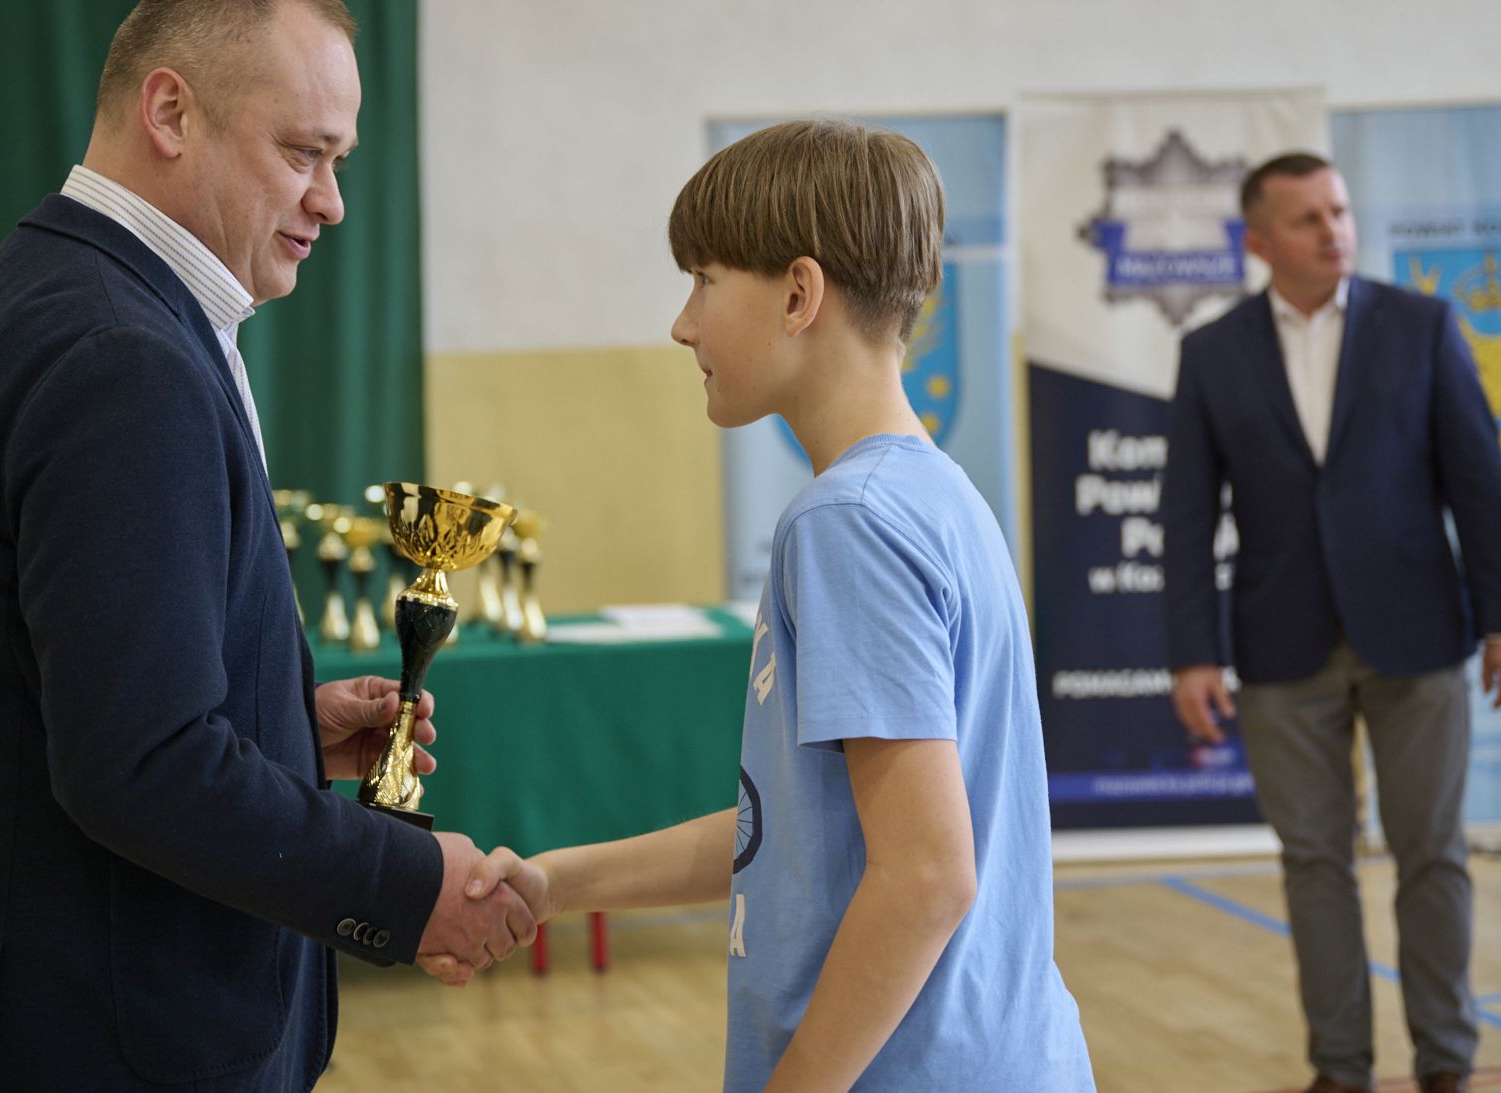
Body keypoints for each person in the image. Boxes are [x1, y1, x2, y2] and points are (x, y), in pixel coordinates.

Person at [0, 0, 534, 1092]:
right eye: (303, 152)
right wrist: (405, 885)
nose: (331, 200)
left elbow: (78, 699)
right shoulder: (121, 355)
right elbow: (140, 763)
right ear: (170, 111)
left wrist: (280, 729)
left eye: (341, 160)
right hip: (79, 1042)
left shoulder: (61, 284)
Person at [431, 120, 1098, 1089]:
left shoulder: (845, 521)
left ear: (797, 295)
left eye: (703, 280)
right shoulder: (936, 494)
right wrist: (555, 882)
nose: (682, 323)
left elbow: (925, 875)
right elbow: (791, 835)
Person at [1161, 152, 1501, 1093]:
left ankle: (1447, 1059)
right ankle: (1340, 1066)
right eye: (1308, 219)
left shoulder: (1424, 325)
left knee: (1432, 854)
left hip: (1420, 634)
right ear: (1258, 242)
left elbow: (1478, 486)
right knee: (1314, 862)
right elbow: (1186, 515)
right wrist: (1192, 652)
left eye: (1339, 210)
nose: (1334, 230)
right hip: (1280, 642)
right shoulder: (1211, 352)